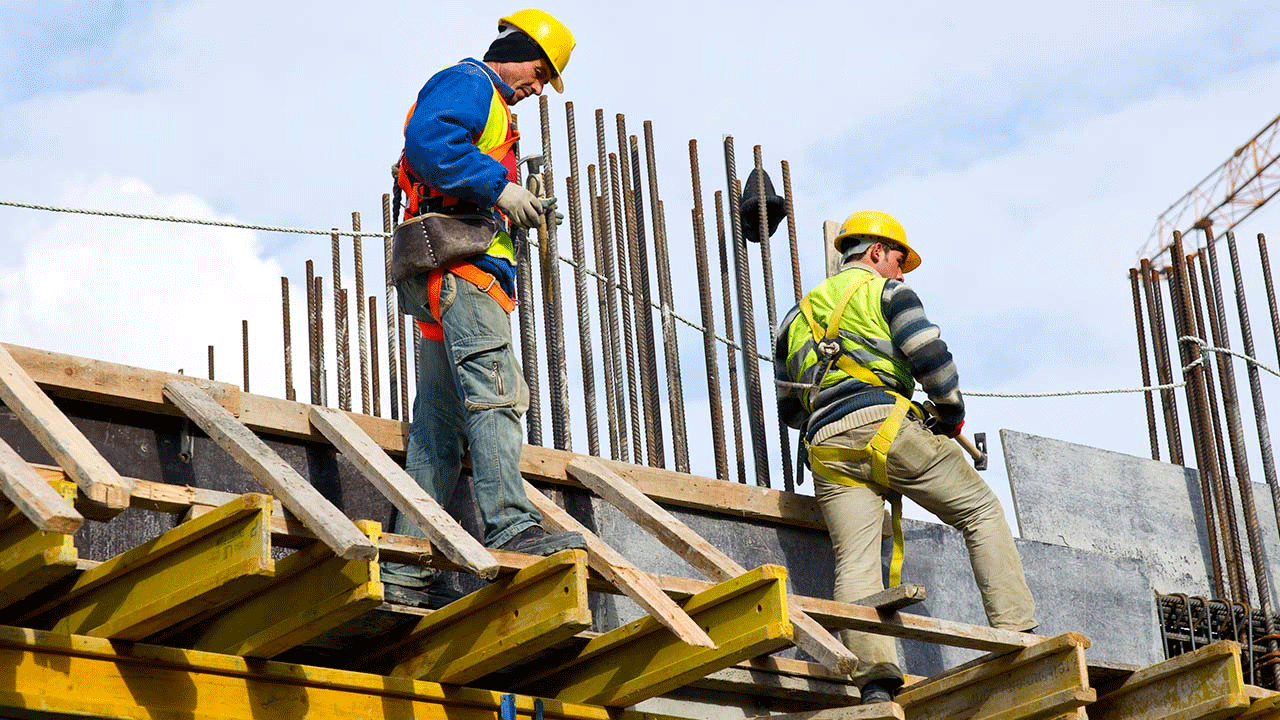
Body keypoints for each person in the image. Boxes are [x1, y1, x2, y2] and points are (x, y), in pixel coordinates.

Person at [774, 210, 1037, 704]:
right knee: (980, 510)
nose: (901, 271)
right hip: (888, 428)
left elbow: (789, 406)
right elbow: (930, 356)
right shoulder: (888, 293)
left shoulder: (794, 317)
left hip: (826, 447)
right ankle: (1018, 631)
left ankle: (874, 680)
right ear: (875, 253)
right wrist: (951, 415)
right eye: (898, 260)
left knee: (855, 562)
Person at [383, 9, 585, 609]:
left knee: (438, 434)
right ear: (517, 50)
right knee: (499, 394)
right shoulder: (472, 82)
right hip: (462, 274)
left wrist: (508, 198)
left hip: (449, 277)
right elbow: (429, 143)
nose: (539, 87)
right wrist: (500, 189)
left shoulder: (493, 106)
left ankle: (406, 568)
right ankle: (510, 524)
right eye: (541, 72)